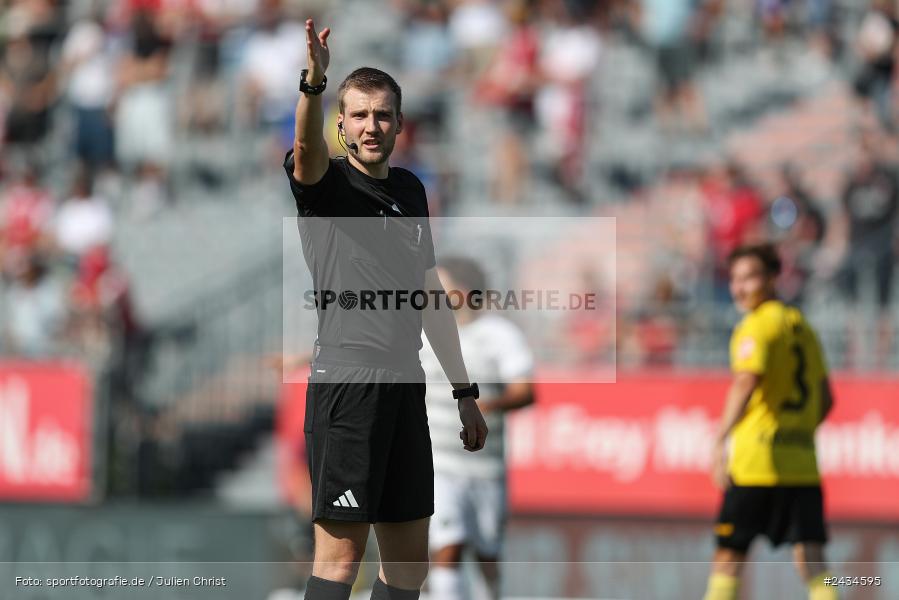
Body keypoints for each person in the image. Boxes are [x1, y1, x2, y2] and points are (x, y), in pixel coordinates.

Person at [283, 19, 488, 600]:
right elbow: (304, 147)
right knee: (339, 562)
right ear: (341, 125)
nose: (372, 125)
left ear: (398, 124)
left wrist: (464, 391)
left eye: (383, 115)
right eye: (360, 115)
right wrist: (315, 81)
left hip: (405, 386)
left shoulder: (412, 190)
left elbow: (429, 299)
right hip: (347, 384)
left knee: (408, 569)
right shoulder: (325, 186)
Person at [703, 243, 836, 600]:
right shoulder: (803, 328)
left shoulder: (756, 326)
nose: (739, 288)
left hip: (756, 465)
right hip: (803, 466)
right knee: (814, 562)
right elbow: (826, 400)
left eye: (749, 277)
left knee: (728, 557)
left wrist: (719, 442)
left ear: (774, 278)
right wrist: (796, 433)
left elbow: (746, 380)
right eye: (733, 279)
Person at [419, 257, 534, 600]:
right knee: (447, 545)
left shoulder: (499, 335)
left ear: (463, 290)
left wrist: (486, 406)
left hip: (486, 467)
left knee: (487, 554)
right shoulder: (423, 332)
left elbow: (525, 391)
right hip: (438, 463)